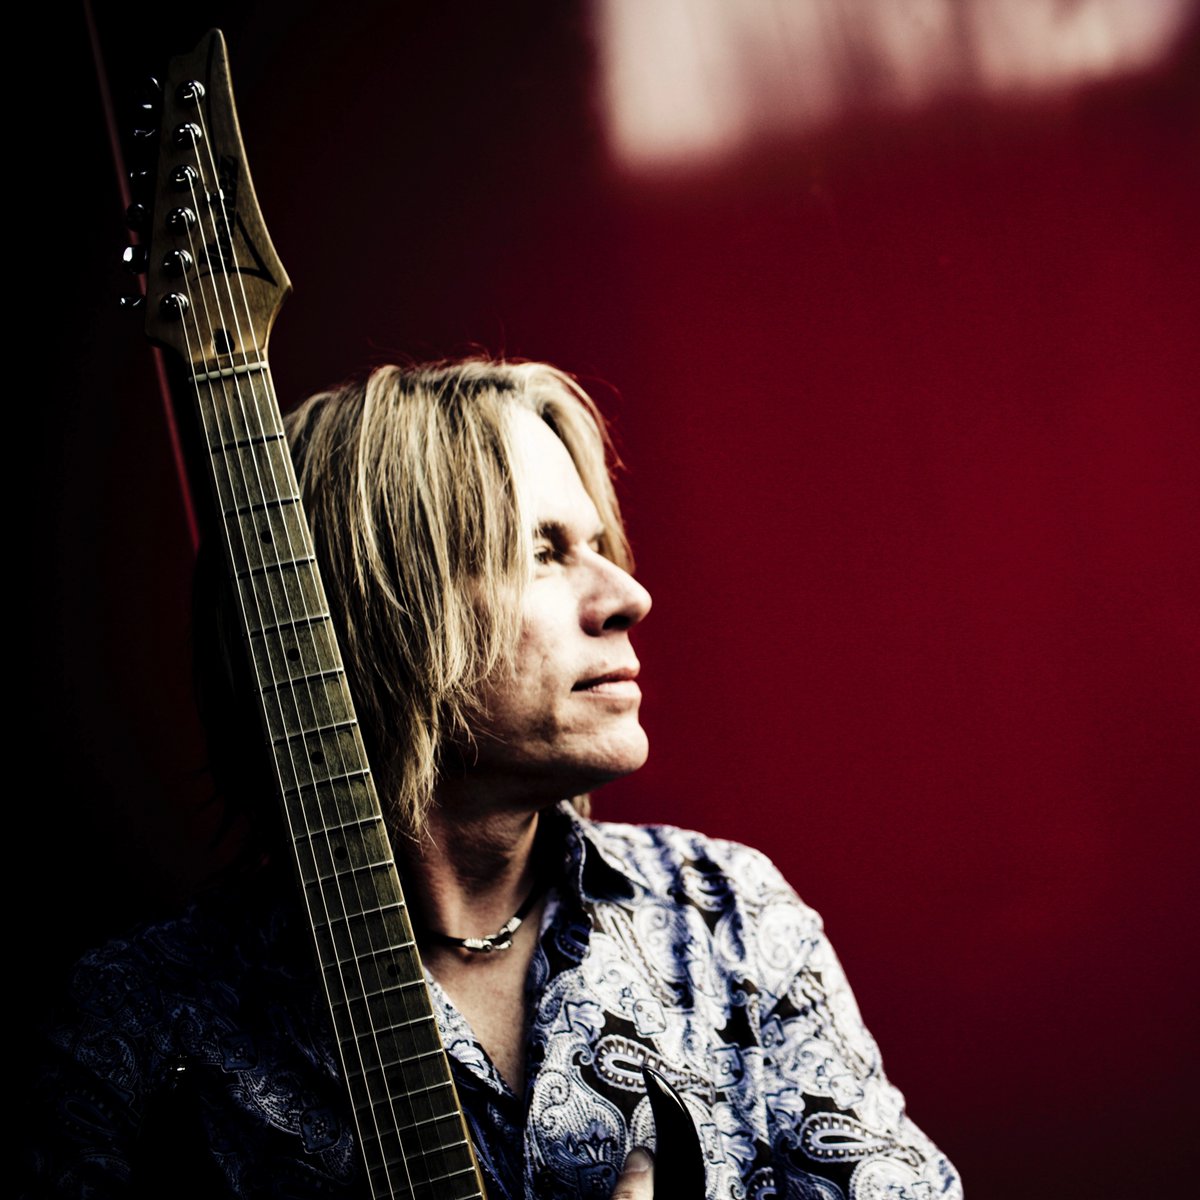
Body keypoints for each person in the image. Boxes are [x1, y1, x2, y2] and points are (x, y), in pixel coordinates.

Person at [25, 359, 962, 1199]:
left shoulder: (725, 917)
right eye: (542, 552)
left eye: (600, 545)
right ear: (382, 612)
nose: (628, 596)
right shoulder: (144, 1023)